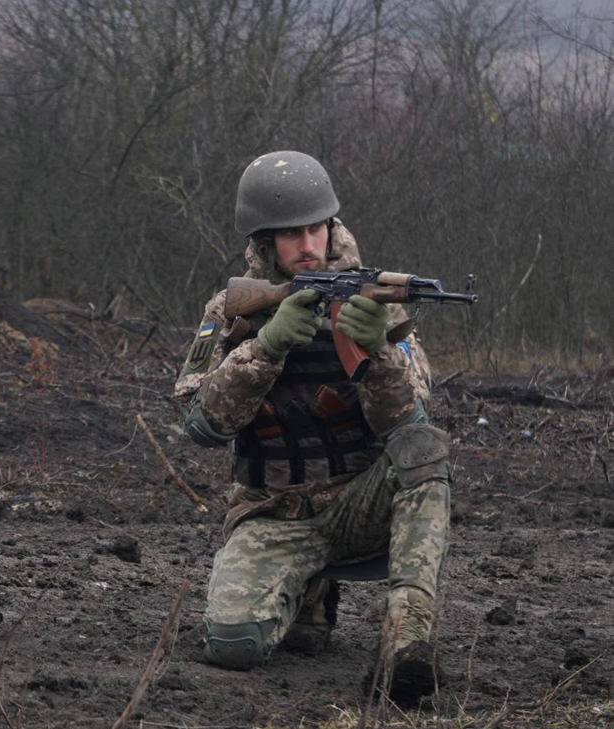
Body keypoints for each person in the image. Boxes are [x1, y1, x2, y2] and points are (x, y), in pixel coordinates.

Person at [174, 151, 450, 702]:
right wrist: (266, 346)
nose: (308, 245)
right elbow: (200, 425)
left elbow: (414, 423)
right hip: (272, 510)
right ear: (263, 242)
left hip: (356, 505)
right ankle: (308, 590)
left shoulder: (379, 301)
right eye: (291, 234)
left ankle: (406, 640)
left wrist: (379, 349)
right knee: (233, 647)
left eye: (316, 228)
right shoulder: (232, 308)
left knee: (426, 450)